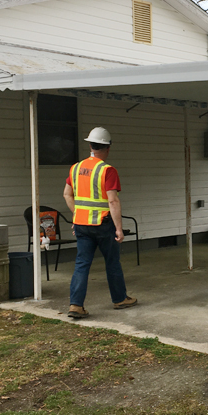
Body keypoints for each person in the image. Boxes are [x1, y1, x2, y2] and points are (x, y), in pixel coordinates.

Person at [63, 127, 136, 318]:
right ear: (108, 148)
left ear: (90, 145)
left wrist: (77, 215)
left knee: (82, 264)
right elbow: (112, 200)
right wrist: (119, 228)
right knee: (112, 262)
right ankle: (119, 299)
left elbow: (67, 194)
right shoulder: (107, 170)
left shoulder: (76, 168)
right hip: (103, 225)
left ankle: (76, 305)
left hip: (81, 225)